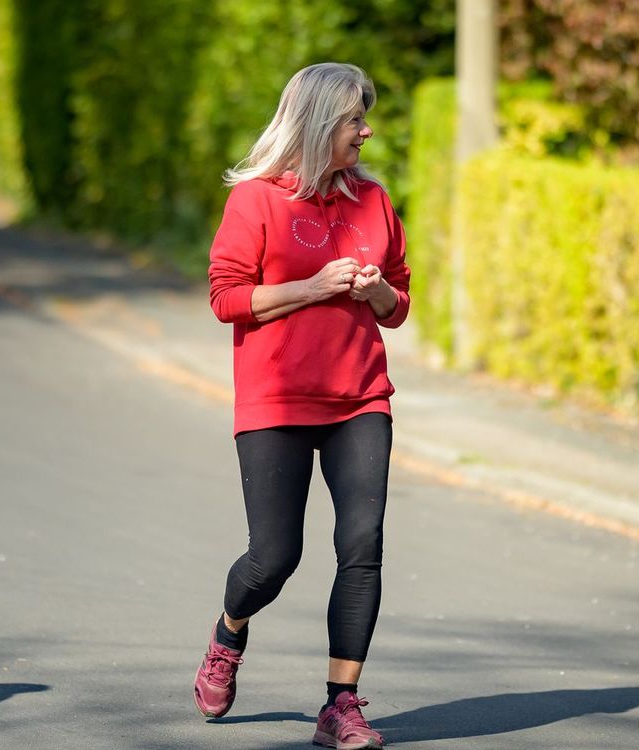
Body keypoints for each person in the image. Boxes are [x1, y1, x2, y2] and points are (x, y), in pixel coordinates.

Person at [192, 62, 409, 750]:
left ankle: (340, 706)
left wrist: (375, 292)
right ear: (319, 124)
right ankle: (229, 634)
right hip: (276, 397)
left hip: (359, 397)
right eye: (354, 120)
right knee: (274, 557)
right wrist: (313, 287)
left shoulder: (373, 202)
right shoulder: (255, 201)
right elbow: (227, 297)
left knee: (363, 546)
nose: (366, 132)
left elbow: (398, 305)